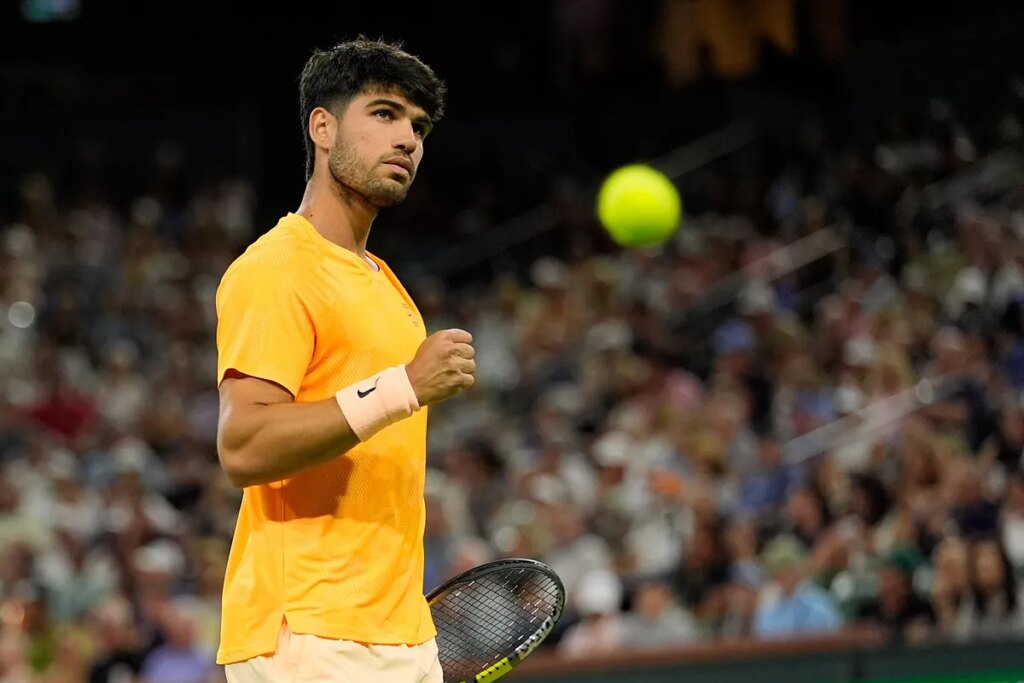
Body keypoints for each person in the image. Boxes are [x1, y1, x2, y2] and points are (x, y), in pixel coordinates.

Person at [214, 37, 475, 682]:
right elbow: (244, 446)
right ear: (322, 128)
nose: (407, 139)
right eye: (384, 114)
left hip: (401, 633)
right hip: (310, 635)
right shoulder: (277, 267)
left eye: (418, 127)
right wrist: (403, 386)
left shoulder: (387, 285)